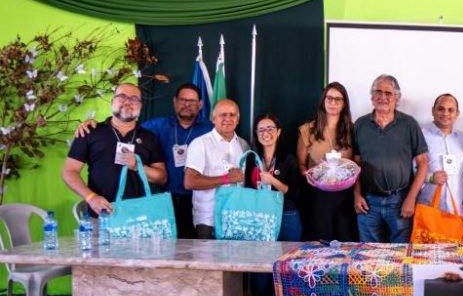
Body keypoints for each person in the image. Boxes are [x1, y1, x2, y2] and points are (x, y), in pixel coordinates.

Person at [74, 83, 213, 238]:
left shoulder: (211, 129)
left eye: (192, 101)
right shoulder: (156, 126)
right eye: (182, 100)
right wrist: (90, 124)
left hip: (201, 201)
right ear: (175, 101)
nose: (187, 104)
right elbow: (124, 121)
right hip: (164, 201)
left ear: (200, 104)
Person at [62, 83, 167, 216]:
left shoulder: (149, 138)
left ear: (140, 105)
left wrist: (137, 165)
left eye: (134, 98)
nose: (127, 102)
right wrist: (91, 197)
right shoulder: (90, 132)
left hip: (139, 217)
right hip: (101, 215)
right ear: (112, 101)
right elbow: (69, 171)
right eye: (122, 96)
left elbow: (161, 178)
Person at [353, 74, 429, 243]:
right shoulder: (360, 124)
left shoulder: (409, 124)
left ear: (397, 98)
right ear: (372, 97)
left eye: (388, 93)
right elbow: (356, 164)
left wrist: (411, 198)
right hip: (368, 203)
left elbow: (423, 163)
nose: (383, 97)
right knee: (368, 254)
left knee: (400, 254)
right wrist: (357, 195)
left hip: (400, 201)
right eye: (378, 92)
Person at [296, 82, 356, 241]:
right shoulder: (308, 129)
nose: (333, 103)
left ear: (344, 103)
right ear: (323, 101)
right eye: (329, 98)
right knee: (319, 243)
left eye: (338, 99)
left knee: (345, 242)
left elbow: (357, 161)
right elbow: (301, 164)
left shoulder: (353, 130)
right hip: (317, 196)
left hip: (345, 197)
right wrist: (309, 173)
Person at [183, 99, 248, 239]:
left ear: (238, 119)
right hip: (209, 223)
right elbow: (189, 182)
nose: (228, 119)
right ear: (213, 119)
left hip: (237, 220)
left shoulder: (243, 145)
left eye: (232, 115)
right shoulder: (200, 144)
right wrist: (226, 179)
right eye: (223, 115)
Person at [248, 113, 302, 241]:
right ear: (256, 133)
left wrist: (273, 181)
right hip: (259, 215)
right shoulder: (251, 158)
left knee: (289, 253)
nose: (265, 133)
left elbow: (296, 194)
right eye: (261, 130)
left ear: (278, 132)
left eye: (270, 129)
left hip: (286, 215)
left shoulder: (288, 159)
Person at [417, 93, 463, 215]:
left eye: (450, 110)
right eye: (441, 109)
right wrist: (431, 178)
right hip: (429, 209)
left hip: (456, 210)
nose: (445, 113)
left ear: (457, 114)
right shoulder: (420, 136)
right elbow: (410, 171)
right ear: (433, 111)